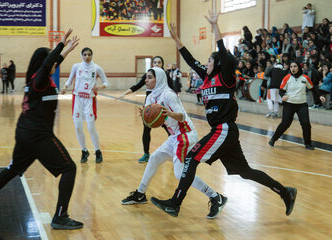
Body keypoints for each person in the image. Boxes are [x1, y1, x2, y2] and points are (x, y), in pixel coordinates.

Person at [150, 11, 298, 218]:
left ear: (217, 64)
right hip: (224, 132)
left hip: (224, 129)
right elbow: (191, 61)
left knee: (191, 157)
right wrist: (176, 40)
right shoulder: (207, 76)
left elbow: (223, 53)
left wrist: (215, 26)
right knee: (245, 171)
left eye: (210, 62)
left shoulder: (226, 76)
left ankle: (175, 203)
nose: (206, 64)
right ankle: (285, 191)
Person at [0, 29, 83, 230]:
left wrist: (66, 51)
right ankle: (60, 217)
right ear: (45, 63)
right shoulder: (40, 80)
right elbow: (49, 63)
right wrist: (60, 45)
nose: (55, 64)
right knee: (69, 168)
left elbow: (53, 63)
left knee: (13, 169)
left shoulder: (35, 79)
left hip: (24, 132)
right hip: (38, 135)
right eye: (52, 61)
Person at [121, 67, 226, 219]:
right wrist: (145, 117)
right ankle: (140, 194)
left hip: (185, 135)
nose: (146, 80)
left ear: (159, 79)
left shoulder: (169, 95)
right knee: (155, 158)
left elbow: (182, 117)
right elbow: (152, 123)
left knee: (179, 173)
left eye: (150, 77)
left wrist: (169, 113)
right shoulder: (151, 98)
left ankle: (215, 197)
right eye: (146, 77)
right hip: (174, 136)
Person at [115, 56, 173, 163]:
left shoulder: (165, 76)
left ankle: (175, 150)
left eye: (159, 62)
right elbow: (137, 86)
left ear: (162, 64)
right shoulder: (149, 76)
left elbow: (173, 90)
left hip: (162, 107)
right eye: (155, 62)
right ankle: (146, 154)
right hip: (150, 106)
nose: (157, 64)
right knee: (146, 129)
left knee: (170, 129)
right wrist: (124, 93)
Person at [61, 47, 108, 163]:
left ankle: (98, 151)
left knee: (91, 127)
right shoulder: (76, 66)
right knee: (77, 127)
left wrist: (100, 87)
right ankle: (84, 151)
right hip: (77, 99)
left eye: (89, 55)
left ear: (92, 55)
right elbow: (70, 80)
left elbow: (106, 82)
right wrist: (65, 87)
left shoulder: (97, 68)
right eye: (85, 55)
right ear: (81, 55)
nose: (87, 57)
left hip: (89, 100)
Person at [269, 61, 326, 150]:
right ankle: (273, 138)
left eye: (295, 66)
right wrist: (283, 96)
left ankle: (308, 144)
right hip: (289, 105)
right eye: (291, 67)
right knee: (285, 124)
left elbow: (313, 89)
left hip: (302, 105)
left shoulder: (305, 78)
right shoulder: (286, 78)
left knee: (306, 124)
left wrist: (320, 96)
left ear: (299, 67)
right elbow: (281, 90)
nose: (292, 68)